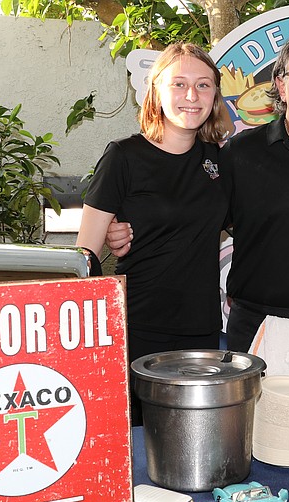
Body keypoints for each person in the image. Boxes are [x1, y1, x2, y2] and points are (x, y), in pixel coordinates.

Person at [107, 34, 289, 409]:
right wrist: (122, 223)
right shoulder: (239, 154)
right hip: (257, 330)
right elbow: (191, 213)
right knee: (253, 445)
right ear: (280, 85)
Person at [76, 43, 232, 425]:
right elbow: (83, 260)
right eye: (178, 84)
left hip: (201, 332)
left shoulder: (220, 162)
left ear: (214, 97)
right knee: (136, 445)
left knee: (196, 436)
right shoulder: (123, 157)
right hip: (136, 328)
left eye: (203, 85)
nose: (191, 96)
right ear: (156, 91)